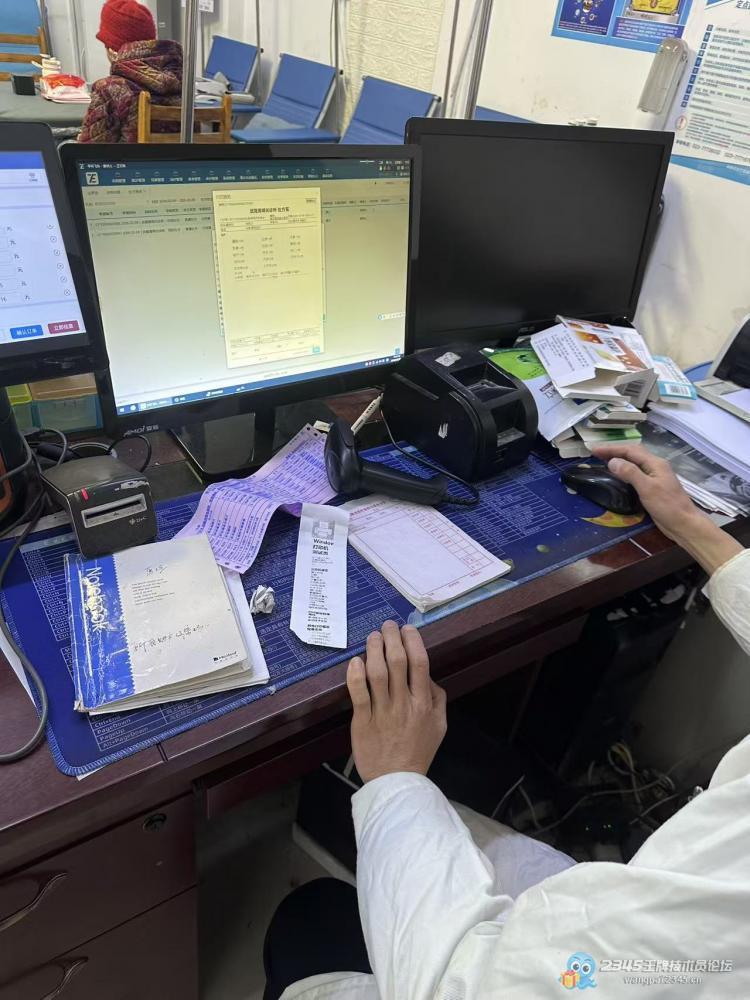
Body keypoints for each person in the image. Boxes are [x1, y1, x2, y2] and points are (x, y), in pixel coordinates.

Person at [264, 444, 750, 999]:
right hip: (617, 912)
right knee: (441, 833)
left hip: (559, 974)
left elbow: (460, 986)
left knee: (309, 921)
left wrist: (395, 777)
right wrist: (694, 528)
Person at [78, 0, 182, 144]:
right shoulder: (184, 84)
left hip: (130, 159)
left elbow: (90, 150)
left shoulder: (109, 90)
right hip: (185, 159)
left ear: (112, 49)